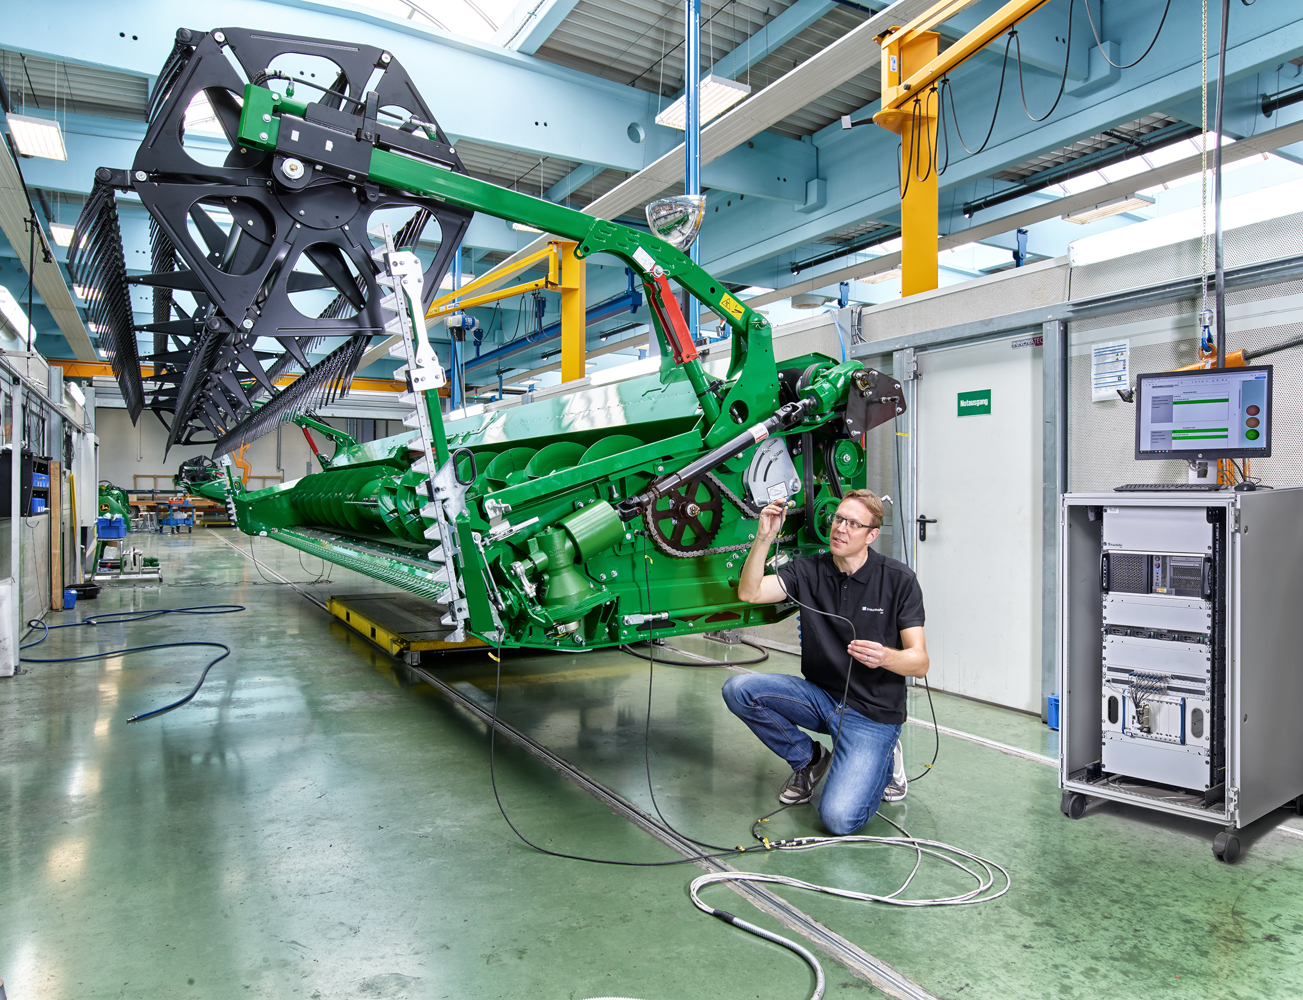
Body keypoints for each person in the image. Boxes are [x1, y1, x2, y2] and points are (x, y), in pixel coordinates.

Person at [722, 489, 928, 836]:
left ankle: (886, 756)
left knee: (838, 819)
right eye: (838, 519)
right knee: (739, 689)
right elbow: (750, 593)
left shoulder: (898, 579)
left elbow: (919, 662)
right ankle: (811, 759)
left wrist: (886, 657)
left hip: (872, 714)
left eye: (853, 524)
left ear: (871, 535)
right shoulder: (809, 571)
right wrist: (764, 537)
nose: (840, 528)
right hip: (822, 699)